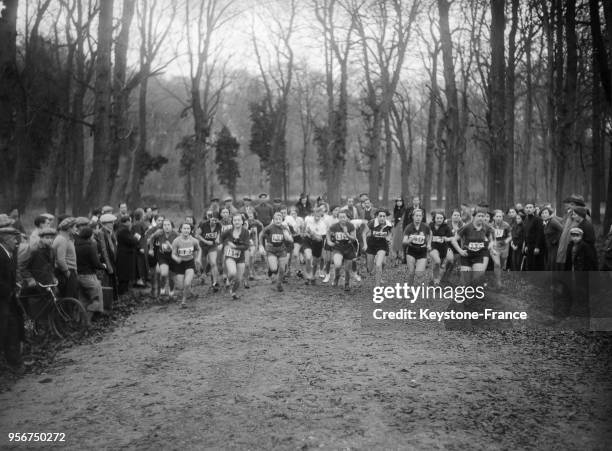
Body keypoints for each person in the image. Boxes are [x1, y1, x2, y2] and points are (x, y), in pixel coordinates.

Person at [0, 223, 23, 372]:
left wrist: (16, 285)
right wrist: (8, 290)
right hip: (2, 299)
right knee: (4, 329)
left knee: (13, 328)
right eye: (14, 238)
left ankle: (14, 362)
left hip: (9, 298)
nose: (17, 241)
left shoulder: (10, 253)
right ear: (5, 239)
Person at [451, 207, 493, 285]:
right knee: (465, 281)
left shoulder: (486, 227)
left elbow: (492, 240)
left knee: (477, 277)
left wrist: (491, 246)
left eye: (483, 216)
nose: (481, 218)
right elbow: (454, 240)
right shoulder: (467, 227)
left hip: (479, 256)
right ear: (474, 217)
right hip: (466, 256)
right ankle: (462, 294)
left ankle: (475, 294)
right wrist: (460, 251)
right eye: (479, 216)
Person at [75, 226, 106, 316]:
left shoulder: (75, 245)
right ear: (90, 236)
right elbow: (95, 263)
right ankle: (88, 321)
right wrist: (103, 266)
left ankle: (79, 321)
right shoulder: (90, 246)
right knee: (96, 300)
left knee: (83, 300)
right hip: (89, 276)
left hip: (78, 275)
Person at [260, 212, 294, 292]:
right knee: (274, 269)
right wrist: (261, 246)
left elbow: (291, 240)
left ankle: (279, 284)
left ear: (282, 220)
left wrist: (288, 238)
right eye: (276, 219)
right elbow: (261, 235)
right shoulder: (269, 228)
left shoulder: (285, 228)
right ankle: (272, 271)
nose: (278, 221)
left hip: (281, 250)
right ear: (273, 220)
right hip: (271, 250)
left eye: (280, 219)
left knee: (282, 269)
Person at [220, 214, 250, 299]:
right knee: (232, 272)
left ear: (242, 221)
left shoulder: (245, 232)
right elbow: (221, 237)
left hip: (240, 257)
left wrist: (236, 247)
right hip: (230, 255)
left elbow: (246, 246)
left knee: (238, 279)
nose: (237, 222)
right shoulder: (229, 231)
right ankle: (227, 281)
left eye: (238, 220)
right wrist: (221, 244)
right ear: (232, 222)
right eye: (235, 220)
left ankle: (233, 292)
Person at [171, 223, 202, 308]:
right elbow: (173, 254)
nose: (186, 230)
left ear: (190, 230)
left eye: (188, 229)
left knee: (187, 283)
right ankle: (190, 292)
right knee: (181, 286)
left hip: (190, 263)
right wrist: (176, 258)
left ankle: (183, 301)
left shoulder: (194, 241)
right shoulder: (176, 241)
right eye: (184, 228)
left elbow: (199, 249)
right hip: (179, 264)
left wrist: (198, 258)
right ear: (181, 229)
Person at [327, 210, 358, 291]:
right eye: (340, 217)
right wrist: (329, 241)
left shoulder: (351, 226)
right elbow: (328, 232)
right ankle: (336, 277)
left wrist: (346, 233)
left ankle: (347, 284)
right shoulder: (334, 226)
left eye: (344, 217)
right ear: (338, 218)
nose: (342, 219)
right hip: (338, 247)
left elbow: (354, 239)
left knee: (347, 269)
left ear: (346, 217)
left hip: (349, 248)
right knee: (337, 265)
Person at [148, 219, 178, 297]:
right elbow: (151, 239)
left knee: (171, 278)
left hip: (173, 257)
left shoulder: (176, 234)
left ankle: (171, 292)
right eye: (165, 225)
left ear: (171, 226)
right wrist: (151, 249)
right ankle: (162, 289)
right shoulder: (159, 233)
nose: (166, 227)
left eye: (168, 225)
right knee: (164, 273)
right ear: (162, 226)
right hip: (162, 256)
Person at [403, 209, 431, 287]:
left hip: (422, 251)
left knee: (419, 274)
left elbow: (429, 234)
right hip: (411, 251)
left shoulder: (425, 226)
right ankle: (409, 288)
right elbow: (404, 241)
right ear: (413, 217)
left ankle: (417, 271)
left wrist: (429, 244)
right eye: (416, 216)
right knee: (411, 272)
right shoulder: (409, 227)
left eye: (420, 216)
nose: (418, 217)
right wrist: (410, 240)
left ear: (422, 217)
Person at [53, 217, 79, 299]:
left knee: (72, 295)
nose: (76, 229)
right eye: (75, 227)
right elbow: (60, 259)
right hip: (66, 271)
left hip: (70, 270)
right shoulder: (62, 240)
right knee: (69, 296)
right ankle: (67, 312)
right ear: (69, 228)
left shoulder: (67, 238)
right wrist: (66, 271)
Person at [365, 209, 393, 286]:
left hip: (382, 245)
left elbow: (391, 233)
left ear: (386, 217)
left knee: (379, 264)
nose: (382, 218)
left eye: (384, 216)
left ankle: (377, 285)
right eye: (380, 216)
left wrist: (389, 238)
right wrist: (364, 244)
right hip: (371, 244)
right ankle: (374, 269)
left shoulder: (389, 224)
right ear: (377, 216)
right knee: (370, 269)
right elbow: (364, 233)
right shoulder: (372, 223)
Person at [302, 206, 329, 285]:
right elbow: (304, 227)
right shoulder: (308, 219)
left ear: (321, 216)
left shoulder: (323, 224)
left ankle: (313, 275)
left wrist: (312, 233)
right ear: (313, 214)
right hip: (308, 241)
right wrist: (304, 233)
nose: (317, 218)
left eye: (319, 216)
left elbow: (320, 239)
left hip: (317, 243)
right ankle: (308, 276)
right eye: (315, 216)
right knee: (308, 257)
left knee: (315, 262)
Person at [196, 212, 222, 292]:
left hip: (212, 246)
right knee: (203, 265)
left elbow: (219, 232)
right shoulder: (203, 224)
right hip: (203, 247)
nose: (213, 221)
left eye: (215, 220)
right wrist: (206, 241)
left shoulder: (219, 225)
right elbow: (197, 235)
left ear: (217, 220)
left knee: (213, 263)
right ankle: (202, 275)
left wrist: (217, 238)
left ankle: (215, 283)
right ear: (209, 218)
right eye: (212, 219)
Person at [115, 216, 139, 295]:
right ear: (127, 222)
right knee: (124, 277)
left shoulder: (121, 229)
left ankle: (124, 294)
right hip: (125, 257)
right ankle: (122, 295)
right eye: (130, 221)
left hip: (124, 256)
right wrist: (136, 238)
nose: (131, 223)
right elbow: (131, 241)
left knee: (124, 277)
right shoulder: (124, 230)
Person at [429, 211, 454, 285]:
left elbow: (452, 238)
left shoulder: (446, 227)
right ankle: (435, 280)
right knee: (437, 261)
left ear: (443, 219)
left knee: (445, 263)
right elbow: (425, 235)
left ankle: (437, 279)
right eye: (437, 218)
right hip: (433, 247)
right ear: (434, 218)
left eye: (441, 218)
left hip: (443, 248)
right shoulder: (430, 225)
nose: (439, 220)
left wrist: (447, 238)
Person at [490, 210, 512, 288]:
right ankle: (498, 282)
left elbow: (510, 236)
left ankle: (498, 277)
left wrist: (505, 241)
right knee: (497, 264)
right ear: (493, 217)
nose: (499, 218)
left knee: (502, 264)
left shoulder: (506, 225)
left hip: (504, 246)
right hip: (495, 246)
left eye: (500, 217)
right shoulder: (490, 226)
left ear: (502, 217)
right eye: (497, 216)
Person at [522, 202, 545, 270]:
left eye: (530, 207)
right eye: (527, 208)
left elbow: (540, 234)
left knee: (536, 265)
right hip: (529, 245)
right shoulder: (526, 219)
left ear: (534, 209)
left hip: (536, 246)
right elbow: (526, 233)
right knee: (529, 265)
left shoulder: (538, 219)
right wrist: (526, 245)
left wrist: (537, 247)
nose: (528, 209)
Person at [541, 206, 563, 271]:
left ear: (549, 214)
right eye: (542, 213)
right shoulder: (546, 222)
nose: (544, 215)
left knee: (554, 264)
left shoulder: (553, 221)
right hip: (550, 247)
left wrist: (555, 240)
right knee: (550, 264)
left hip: (555, 247)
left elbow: (562, 230)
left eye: (545, 213)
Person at [392, 196, 406, 265]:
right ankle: (397, 256)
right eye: (397, 201)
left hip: (402, 227)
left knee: (402, 241)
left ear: (402, 202)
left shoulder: (405, 209)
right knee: (396, 241)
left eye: (400, 201)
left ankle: (402, 256)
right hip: (396, 227)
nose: (399, 202)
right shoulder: (395, 209)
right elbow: (394, 218)